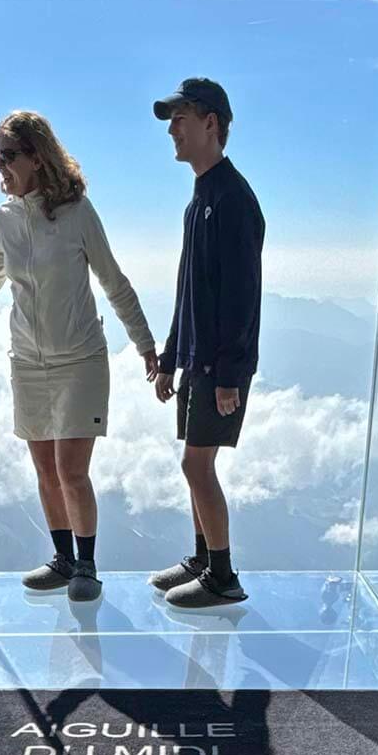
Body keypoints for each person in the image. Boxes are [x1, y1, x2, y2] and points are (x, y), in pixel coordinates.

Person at [0, 111, 157, 602]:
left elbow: (114, 282)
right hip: (27, 363)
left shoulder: (77, 212)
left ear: (36, 156)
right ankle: (64, 560)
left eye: (8, 156)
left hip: (81, 360)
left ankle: (87, 565)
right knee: (45, 470)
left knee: (71, 470)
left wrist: (146, 344)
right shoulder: (4, 219)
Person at [147, 79, 265, 608]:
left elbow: (241, 298)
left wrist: (229, 376)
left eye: (181, 119)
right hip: (199, 362)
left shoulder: (234, 200)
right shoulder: (201, 199)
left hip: (219, 367)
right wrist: (172, 359)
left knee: (197, 466)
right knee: (193, 464)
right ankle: (202, 560)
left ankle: (223, 576)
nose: (172, 130)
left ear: (211, 124)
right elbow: (189, 290)